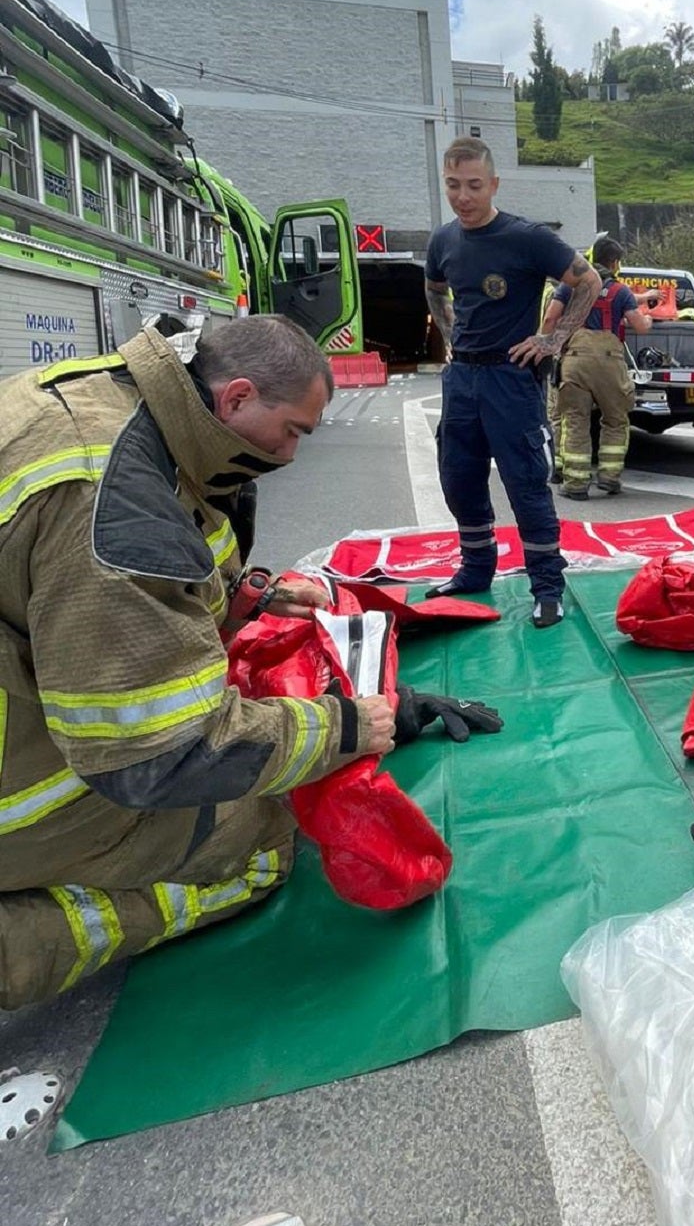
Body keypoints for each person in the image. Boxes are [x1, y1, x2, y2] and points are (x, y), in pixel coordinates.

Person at [0, 315, 397, 1010]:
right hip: (24, 786)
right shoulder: (111, 497)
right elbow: (161, 755)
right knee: (262, 841)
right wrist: (344, 727)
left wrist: (250, 597)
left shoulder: (119, 404)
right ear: (238, 397)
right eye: (294, 431)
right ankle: (15, 947)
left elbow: (172, 553)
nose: (292, 456)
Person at [424, 136, 600, 628]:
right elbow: (435, 287)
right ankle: (476, 569)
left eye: (474, 185)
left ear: (493, 184)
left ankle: (547, 586)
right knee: (459, 478)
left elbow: (588, 281)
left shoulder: (527, 237)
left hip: (510, 378)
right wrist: (448, 331)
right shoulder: (444, 241)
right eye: (454, 185)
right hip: (462, 379)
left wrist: (553, 340)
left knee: (525, 483)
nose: (464, 196)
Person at [540, 235, 652, 499]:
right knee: (615, 419)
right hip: (609, 361)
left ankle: (576, 485)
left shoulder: (571, 286)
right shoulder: (620, 291)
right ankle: (609, 479)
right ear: (614, 263)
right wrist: (648, 319)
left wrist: (548, 348)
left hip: (575, 360)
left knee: (574, 420)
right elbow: (640, 326)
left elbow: (550, 318)